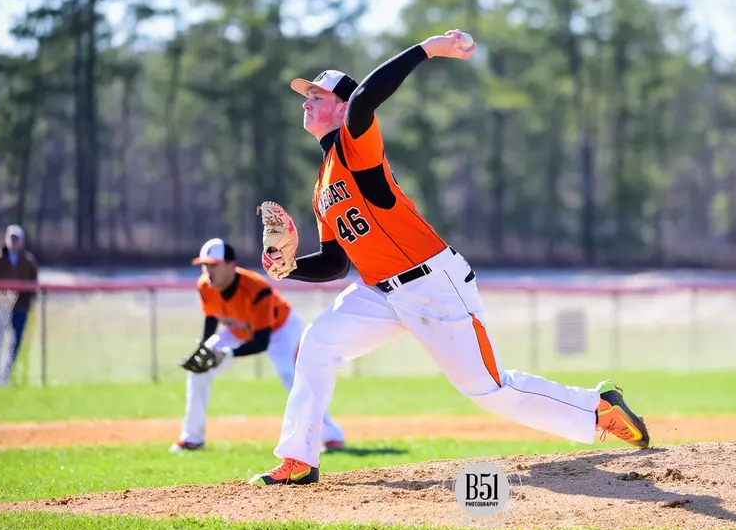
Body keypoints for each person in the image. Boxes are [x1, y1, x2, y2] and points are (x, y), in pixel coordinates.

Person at [247, 30, 650, 486]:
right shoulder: (322, 186)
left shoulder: (355, 148)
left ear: (340, 108)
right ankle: (300, 459)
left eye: (317, 95)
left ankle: (597, 407)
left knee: (489, 390)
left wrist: (427, 49)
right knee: (317, 345)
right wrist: (292, 267)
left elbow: (364, 99)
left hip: (431, 284)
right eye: (307, 95)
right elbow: (337, 263)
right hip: (379, 293)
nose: (307, 101)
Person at [171, 238, 346, 453]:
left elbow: (261, 342)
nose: (208, 271)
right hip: (238, 329)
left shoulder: (257, 289)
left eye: (214, 265)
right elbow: (211, 316)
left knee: (290, 376)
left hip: (279, 329)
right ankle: (192, 439)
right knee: (199, 372)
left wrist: (226, 353)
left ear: (231, 265)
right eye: (205, 265)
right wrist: (205, 348)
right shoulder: (205, 286)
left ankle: (332, 435)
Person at [0, 224, 38, 386]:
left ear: (22, 241)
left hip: (20, 306)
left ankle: (4, 377)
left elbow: (33, 283)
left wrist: (30, 300)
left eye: (17, 239)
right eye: (11, 238)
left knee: (15, 342)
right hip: (2, 303)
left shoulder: (28, 261)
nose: (14, 242)